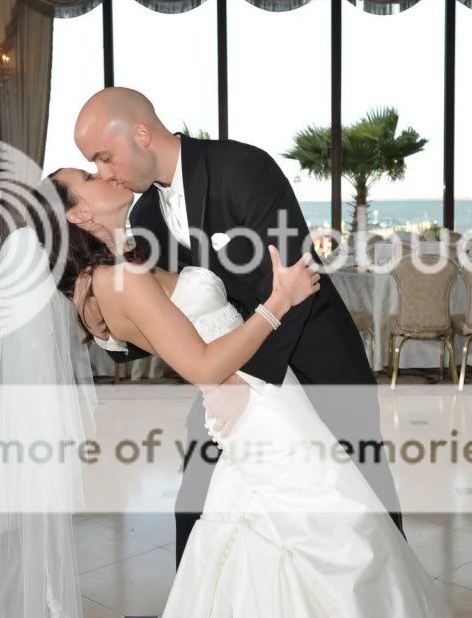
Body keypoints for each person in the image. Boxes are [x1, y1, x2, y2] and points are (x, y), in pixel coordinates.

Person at [36, 161, 448, 617]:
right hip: (257, 407)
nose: (103, 174)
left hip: (261, 397)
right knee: (336, 526)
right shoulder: (119, 280)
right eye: (88, 178)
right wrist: (280, 300)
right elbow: (202, 364)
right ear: (78, 214)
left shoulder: (116, 270)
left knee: (289, 527)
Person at [58, 88, 404, 567]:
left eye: (104, 157)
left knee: (363, 502)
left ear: (140, 134)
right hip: (226, 375)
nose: (104, 173)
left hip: (315, 362)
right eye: (93, 165)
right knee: (196, 507)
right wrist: (107, 334)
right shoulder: (145, 216)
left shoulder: (242, 168)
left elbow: (296, 281)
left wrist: (245, 381)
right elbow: (160, 315)